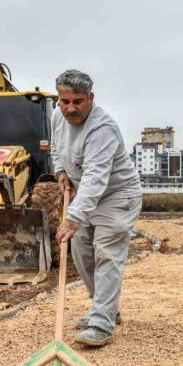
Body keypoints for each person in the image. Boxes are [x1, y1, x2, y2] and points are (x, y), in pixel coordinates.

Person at [50, 69, 142, 347]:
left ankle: (102, 322)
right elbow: (56, 149)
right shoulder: (58, 116)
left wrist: (72, 218)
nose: (71, 108)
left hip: (116, 196)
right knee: (83, 257)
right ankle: (106, 308)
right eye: (65, 101)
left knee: (106, 254)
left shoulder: (102, 129)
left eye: (78, 101)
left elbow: (95, 177)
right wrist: (60, 172)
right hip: (85, 195)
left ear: (91, 97)